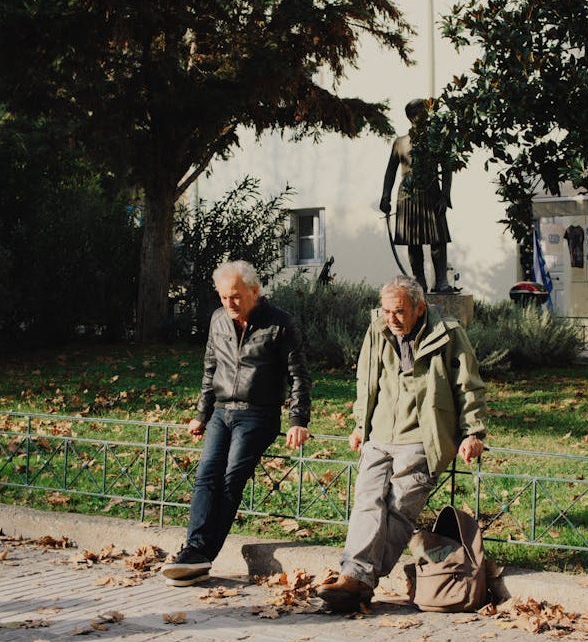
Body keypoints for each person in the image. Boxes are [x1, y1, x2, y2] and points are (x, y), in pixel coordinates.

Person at [316, 275, 486, 610]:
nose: (391, 319)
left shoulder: (448, 333)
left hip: (421, 437)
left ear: (419, 308)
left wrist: (473, 432)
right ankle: (355, 577)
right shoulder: (378, 330)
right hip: (380, 434)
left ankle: (359, 581)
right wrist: (360, 425)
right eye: (386, 311)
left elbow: (468, 385)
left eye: (399, 312)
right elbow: (367, 380)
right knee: (367, 502)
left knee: (398, 509)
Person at [161, 260, 312, 586]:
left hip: (258, 413)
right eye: (223, 297)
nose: (229, 303)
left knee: (231, 478)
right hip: (221, 411)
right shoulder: (218, 319)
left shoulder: (280, 323)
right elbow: (210, 369)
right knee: (206, 474)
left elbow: (298, 375)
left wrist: (298, 419)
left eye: (235, 296)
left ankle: (199, 555)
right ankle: (194, 551)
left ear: (254, 291)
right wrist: (201, 414)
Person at [380, 99, 459, 294]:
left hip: (432, 193)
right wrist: (385, 196)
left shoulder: (437, 139)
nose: (424, 115)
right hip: (408, 197)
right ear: (411, 117)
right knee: (413, 242)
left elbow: (447, 168)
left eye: (425, 111)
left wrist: (445, 196)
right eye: (419, 112)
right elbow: (390, 171)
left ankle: (441, 281)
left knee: (438, 240)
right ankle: (419, 281)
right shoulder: (400, 143)